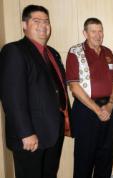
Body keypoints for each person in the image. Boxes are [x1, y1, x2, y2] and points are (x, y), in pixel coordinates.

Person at [0, 4, 71, 178]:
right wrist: (26, 133)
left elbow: (57, 88)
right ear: (24, 25)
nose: (43, 26)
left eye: (46, 21)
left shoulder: (52, 53)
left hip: (53, 130)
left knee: (49, 174)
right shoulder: (14, 51)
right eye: (36, 21)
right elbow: (12, 97)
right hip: (31, 135)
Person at [66, 18, 113, 178]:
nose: (98, 35)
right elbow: (74, 87)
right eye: (93, 31)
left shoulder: (108, 52)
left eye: (100, 31)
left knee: (105, 154)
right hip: (86, 110)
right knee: (85, 157)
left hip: (108, 108)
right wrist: (98, 110)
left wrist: (110, 104)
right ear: (85, 33)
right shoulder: (75, 52)